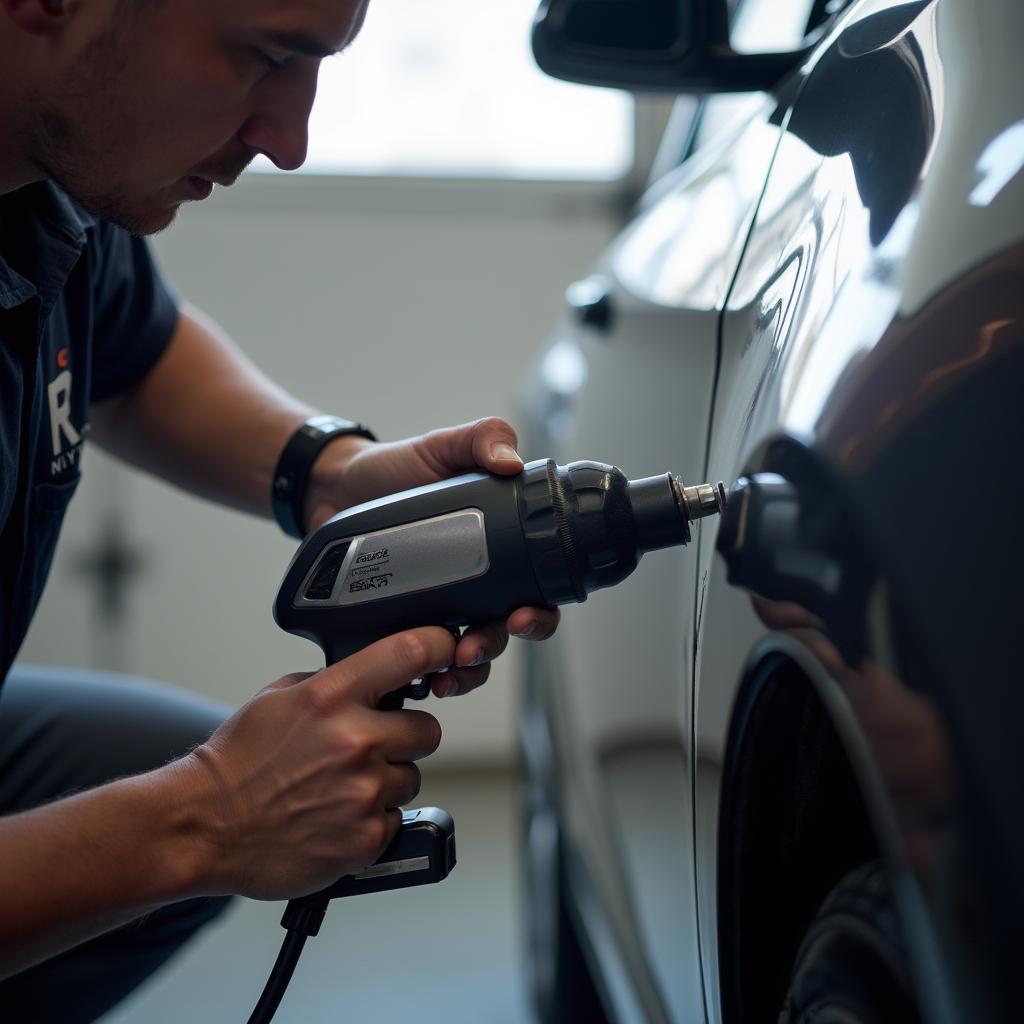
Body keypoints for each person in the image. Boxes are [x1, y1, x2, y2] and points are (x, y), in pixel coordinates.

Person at [0, 0, 559, 1018]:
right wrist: (205, 820)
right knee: (164, 820)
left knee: (141, 771)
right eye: (262, 55)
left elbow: (140, 354)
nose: (289, 142)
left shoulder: (49, 186)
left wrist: (328, 474)